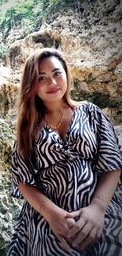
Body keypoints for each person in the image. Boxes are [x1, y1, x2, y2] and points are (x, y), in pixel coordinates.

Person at [7, 48, 122, 256]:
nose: (52, 83)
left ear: (66, 74)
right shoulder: (28, 128)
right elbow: (22, 180)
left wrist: (98, 208)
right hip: (47, 218)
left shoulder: (91, 112)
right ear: (31, 84)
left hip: (100, 209)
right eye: (42, 78)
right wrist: (51, 215)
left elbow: (112, 163)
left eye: (57, 73)